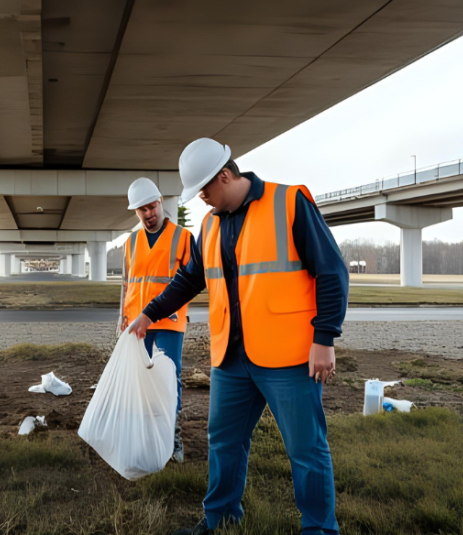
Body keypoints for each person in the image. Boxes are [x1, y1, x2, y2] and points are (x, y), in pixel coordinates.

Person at [129, 138, 349, 535]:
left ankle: (319, 529)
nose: (202, 201)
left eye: (205, 191)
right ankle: (221, 519)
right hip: (232, 358)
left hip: (290, 357)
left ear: (226, 176)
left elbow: (332, 272)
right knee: (224, 443)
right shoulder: (211, 225)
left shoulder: (289, 204)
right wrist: (150, 312)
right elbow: (190, 278)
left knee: (306, 451)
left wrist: (325, 338)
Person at [121, 177, 193, 462]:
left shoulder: (183, 238)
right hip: (137, 325)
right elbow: (128, 284)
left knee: (168, 378)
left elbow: (190, 281)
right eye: (142, 210)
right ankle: (146, 434)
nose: (148, 214)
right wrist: (124, 318)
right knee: (141, 380)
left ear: (161, 202)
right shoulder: (132, 241)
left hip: (169, 322)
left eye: (152, 207)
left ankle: (171, 437)